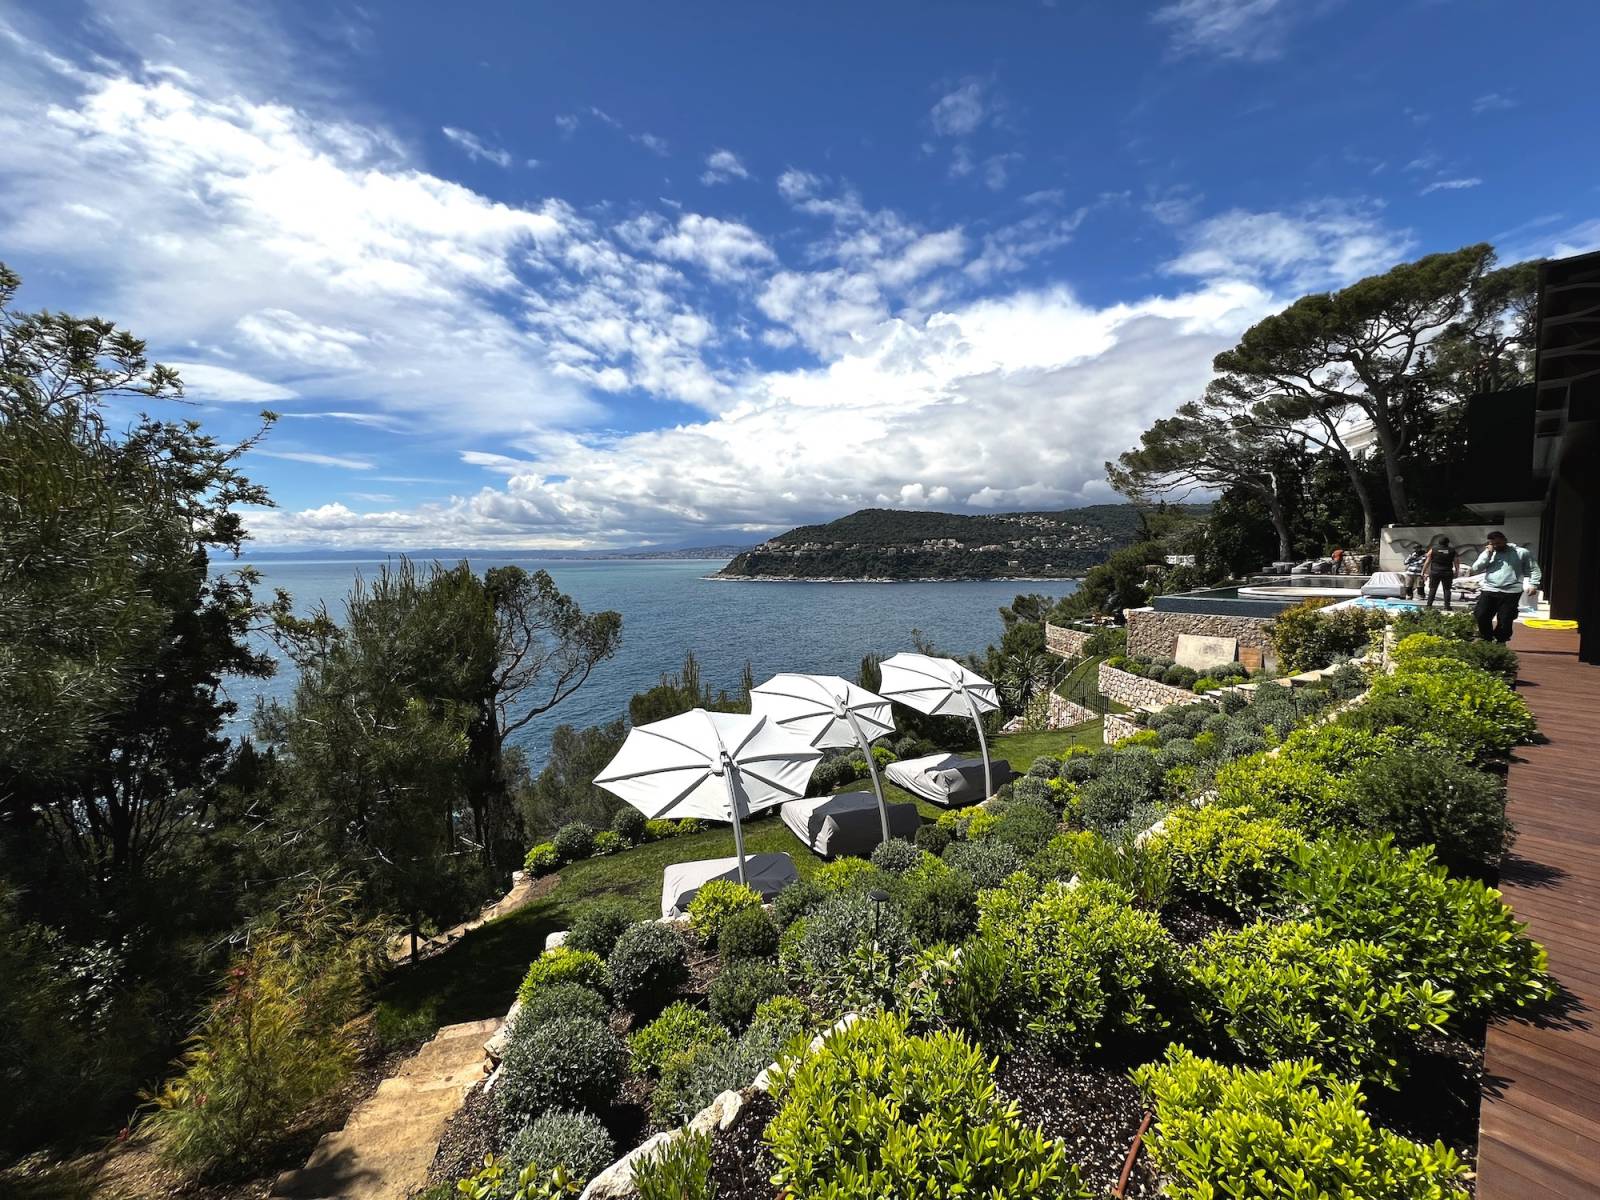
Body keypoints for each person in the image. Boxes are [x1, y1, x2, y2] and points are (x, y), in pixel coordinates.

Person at [1470, 530, 1542, 644]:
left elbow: (1534, 569)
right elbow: (1475, 568)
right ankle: (1486, 638)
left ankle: (1501, 640)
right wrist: (1488, 555)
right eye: (1492, 544)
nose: (1495, 546)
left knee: (1505, 619)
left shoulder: (1521, 552)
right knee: (1481, 615)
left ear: (1505, 540)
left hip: (1511, 591)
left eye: (1498, 543)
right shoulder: (1488, 552)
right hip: (1490, 589)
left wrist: (1534, 584)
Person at [1421, 537, 1458, 610]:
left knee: (1433, 589)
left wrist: (1423, 571)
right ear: (1448, 543)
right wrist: (1457, 571)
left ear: (1439, 543)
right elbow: (1456, 561)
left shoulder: (1433, 549)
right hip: (1447, 572)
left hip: (1435, 572)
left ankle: (1429, 606)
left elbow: (1427, 561)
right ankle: (1447, 606)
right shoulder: (1452, 550)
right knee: (1447, 590)